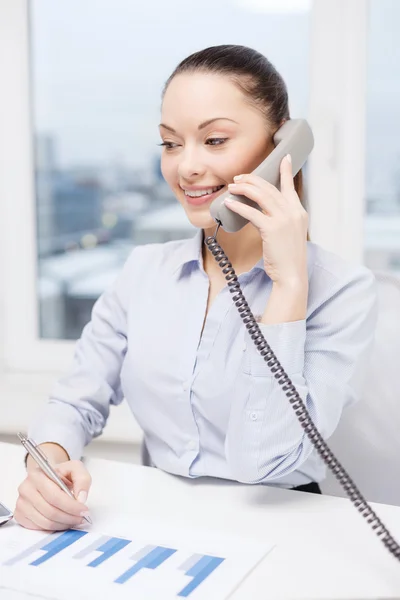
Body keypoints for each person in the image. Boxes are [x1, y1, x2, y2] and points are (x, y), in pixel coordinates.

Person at [15, 44, 377, 532]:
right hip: (159, 522)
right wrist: (47, 466)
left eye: (214, 141)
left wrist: (289, 284)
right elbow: (74, 402)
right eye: (170, 143)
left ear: (281, 150)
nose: (185, 167)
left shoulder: (341, 291)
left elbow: (263, 461)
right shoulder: (144, 271)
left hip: (285, 533)